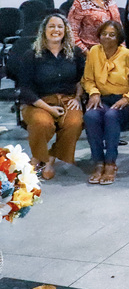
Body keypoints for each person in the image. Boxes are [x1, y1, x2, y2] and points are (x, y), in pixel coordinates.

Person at [19, 14, 85, 181]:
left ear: (65, 31)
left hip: (68, 98)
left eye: (60, 27)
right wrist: (48, 109)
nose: (56, 30)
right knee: (42, 123)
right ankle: (37, 156)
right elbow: (25, 88)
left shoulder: (74, 53)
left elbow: (82, 79)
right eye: (52, 26)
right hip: (38, 102)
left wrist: (77, 98)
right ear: (44, 30)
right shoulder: (31, 54)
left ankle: (50, 159)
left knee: (74, 123)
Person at [81, 21, 129, 185]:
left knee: (112, 115)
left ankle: (110, 163)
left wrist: (128, 97)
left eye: (112, 34)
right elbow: (87, 79)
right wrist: (93, 93)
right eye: (104, 33)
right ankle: (98, 162)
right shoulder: (94, 51)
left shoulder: (127, 54)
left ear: (119, 38)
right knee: (91, 116)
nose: (107, 37)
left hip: (125, 100)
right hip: (102, 97)